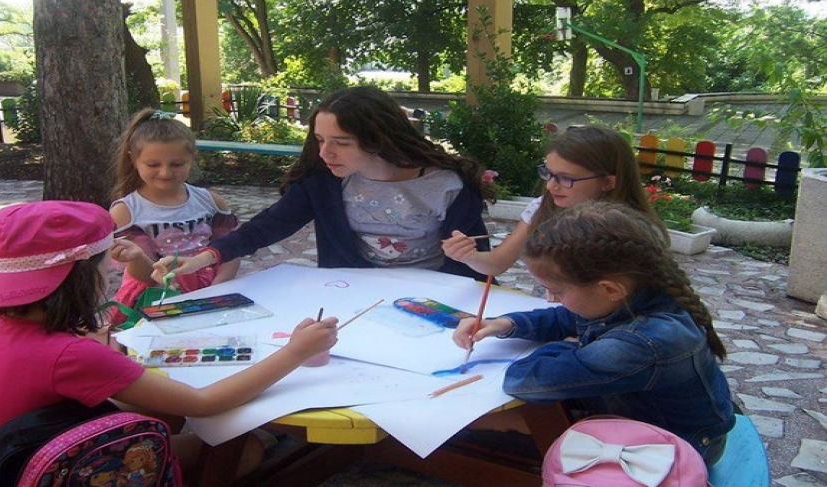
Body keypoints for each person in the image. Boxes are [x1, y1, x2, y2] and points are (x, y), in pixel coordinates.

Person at [0, 201, 338, 485]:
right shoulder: (72, 353)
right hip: (44, 472)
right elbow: (205, 402)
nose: (110, 275)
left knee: (161, 410)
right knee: (244, 448)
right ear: (83, 277)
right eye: (106, 267)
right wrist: (295, 352)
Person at [452, 201, 734, 464]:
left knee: (480, 431)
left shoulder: (641, 343)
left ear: (609, 289)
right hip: (649, 417)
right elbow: (565, 317)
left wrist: (570, 345)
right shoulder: (639, 293)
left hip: (676, 448)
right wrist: (503, 324)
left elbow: (523, 381)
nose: (552, 298)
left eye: (557, 291)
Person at [153, 86, 495, 282]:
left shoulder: (447, 185)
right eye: (319, 139)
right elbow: (268, 226)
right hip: (349, 293)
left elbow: (474, 263)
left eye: (341, 142)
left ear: (377, 139)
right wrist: (205, 257)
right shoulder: (323, 180)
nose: (325, 152)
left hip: (431, 296)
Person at [442, 125, 666, 277]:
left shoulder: (634, 231)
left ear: (608, 182)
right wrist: (469, 256)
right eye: (548, 173)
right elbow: (497, 263)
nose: (550, 186)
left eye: (566, 178)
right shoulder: (542, 208)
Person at [109, 108, 240, 326]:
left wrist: (215, 290)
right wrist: (176, 295)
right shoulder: (126, 212)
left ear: (192, 158)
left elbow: (231, 251)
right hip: (153, 297)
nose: (165, 172)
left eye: (177, 164)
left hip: (210, 291)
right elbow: (143, 273)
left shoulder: (211, 202)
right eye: (153, 164)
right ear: (133, 159)